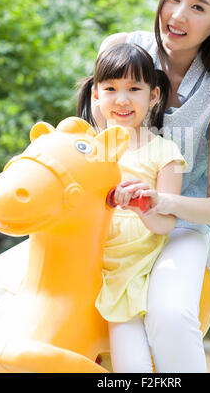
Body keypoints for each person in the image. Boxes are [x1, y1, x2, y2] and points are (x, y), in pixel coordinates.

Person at [90, 0, 210, 373]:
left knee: (170, 315)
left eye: (198, 7)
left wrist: (159, 200)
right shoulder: (121, 48)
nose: (177, 15)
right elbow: (89, 140)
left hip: (183, 226)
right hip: (110, 216)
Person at [77, 42, 186, 373]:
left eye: (133, 89)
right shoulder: (86, 148)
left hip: (131, 267)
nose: (121, 99)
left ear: (152, 96)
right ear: (96, 94)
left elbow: (166, 222)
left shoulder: (165, 153)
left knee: (130, 364)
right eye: (110, 88)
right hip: (87, 257)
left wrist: (142, 206)